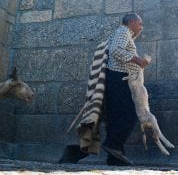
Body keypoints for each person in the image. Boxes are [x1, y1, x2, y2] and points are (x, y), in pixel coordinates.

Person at [59, 12, 151, 166]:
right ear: (132, 22)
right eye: (140, 24)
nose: (142, 27)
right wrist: (138, 60)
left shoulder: (123, 35)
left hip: (114, 79)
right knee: (130, 114)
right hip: (117, 79)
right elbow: (116, 51)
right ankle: (113, 146)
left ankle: (114, 158)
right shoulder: (123, 32)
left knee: (114, 119)